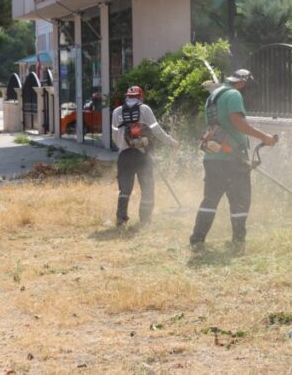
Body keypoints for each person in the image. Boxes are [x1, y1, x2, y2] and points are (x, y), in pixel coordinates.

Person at [190, 69, 276, 250]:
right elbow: (238, 123)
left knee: (210, 199)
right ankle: (238, 240)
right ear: (243, 83)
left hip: (213, 155)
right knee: (240, 198)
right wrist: (264, 137)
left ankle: (197, 240)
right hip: (232, 158)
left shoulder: (213, 95)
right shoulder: (234, 94)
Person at [111, 85, 179, 228]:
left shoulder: (117, 111)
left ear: (127, 96)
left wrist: (123, 147)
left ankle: (121, 220)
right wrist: (171, 142)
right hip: (142, 156)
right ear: (141, 96)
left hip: (124, 156)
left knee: (124, 190)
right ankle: (145, 220)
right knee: (147, 188)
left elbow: (115, 136)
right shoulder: (145, 109)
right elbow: (156, 131)